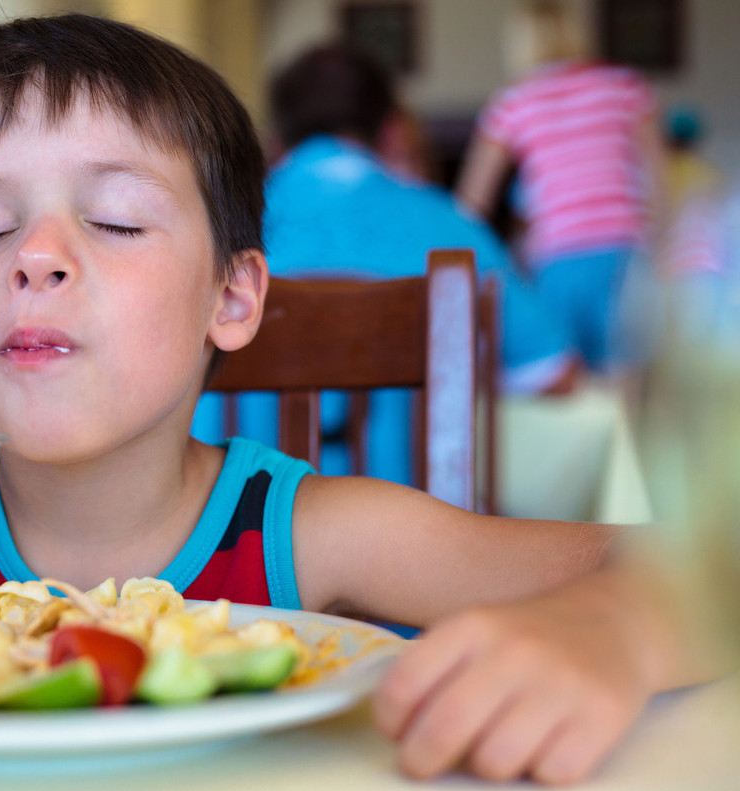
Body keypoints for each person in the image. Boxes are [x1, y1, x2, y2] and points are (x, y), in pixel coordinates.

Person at [0, 13, 724, 786]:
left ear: (233, 295)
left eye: (113, 219)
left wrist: (610, 627)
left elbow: (704, 568)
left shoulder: (315, 536)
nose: (39, 257)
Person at [194, 40, 577, 484]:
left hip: (241, 536)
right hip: (418, 536)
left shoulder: (215, 228)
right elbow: (555, 374)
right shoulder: (450, 225)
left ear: (276, 140)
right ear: (392, 132)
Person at [456, 0, 664, 373]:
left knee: (570, 385)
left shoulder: (514, 102)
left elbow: (470, 207)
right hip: (626, 253)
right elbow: (659, 181)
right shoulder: (624, 85)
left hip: (557, 257)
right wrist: (666, 254)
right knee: (632, 384)